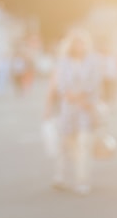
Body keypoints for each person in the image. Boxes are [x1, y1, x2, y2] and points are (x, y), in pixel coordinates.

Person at [43, 28, 104, 195]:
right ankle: (60, 177)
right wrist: (71, 97)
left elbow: (95, 82)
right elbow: (60, 84)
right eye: (76, 42)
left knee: (84, 145)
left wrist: (83, 98)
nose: (79, 46)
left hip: (87, 106)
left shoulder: (93, 61)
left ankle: (82, 181)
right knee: (65, 144)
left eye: (82, 42)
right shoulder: (63, 62)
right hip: (68, 107)